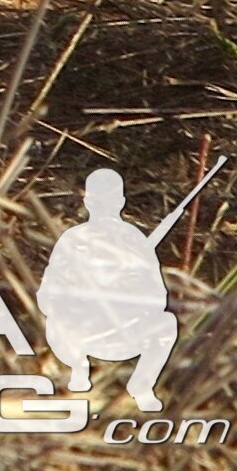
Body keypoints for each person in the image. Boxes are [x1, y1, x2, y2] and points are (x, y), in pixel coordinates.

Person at [39, 169, 177, 411]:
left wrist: (128, 296)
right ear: (88, 202)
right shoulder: (73, 239)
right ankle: (78, 373)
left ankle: (142, 385)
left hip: (124, 330)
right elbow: (47, 294)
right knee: (55, 323)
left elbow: (158, 297)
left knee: (166, 324)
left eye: (110, 201)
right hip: (80, 332)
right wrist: (77, 300)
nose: (105, 207)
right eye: (98, 201)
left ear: (121, 203)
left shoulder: (134, 240)